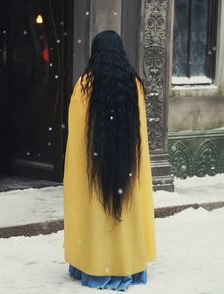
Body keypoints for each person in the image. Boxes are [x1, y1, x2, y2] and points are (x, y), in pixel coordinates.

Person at [63, 30, 156, 291]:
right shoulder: (134, 85)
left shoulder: (83, 86)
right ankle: (126, 262)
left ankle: (95, 262)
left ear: (95, 53)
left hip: (94, 168)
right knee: (124, 212)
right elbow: (140, 136)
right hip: (127, 166)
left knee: (96, 211)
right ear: (120, 52)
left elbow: (78, 141)